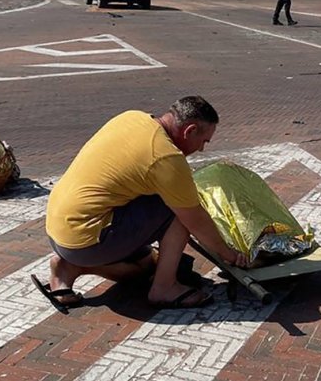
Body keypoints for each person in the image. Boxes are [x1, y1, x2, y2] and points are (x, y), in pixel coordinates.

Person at [36, 96, 249, 310]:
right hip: (87, 239)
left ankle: (69, 267)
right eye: (204, 141)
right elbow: (195, 221)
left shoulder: (132, 117)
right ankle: (164, 288)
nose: (202, 149)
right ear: (189, 130)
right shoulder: (166, 157)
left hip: (59, 229)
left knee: (147, 267)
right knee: (179, 210)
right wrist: (229, 254)